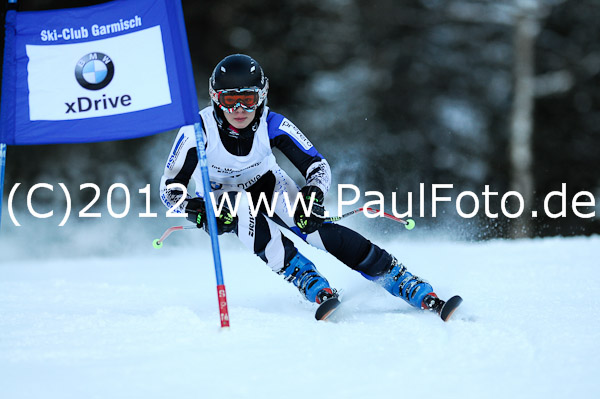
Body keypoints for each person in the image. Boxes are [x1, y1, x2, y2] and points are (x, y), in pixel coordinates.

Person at [159, 54, 460, 321]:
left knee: (315, 229)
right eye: (229, 100)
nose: (239, 109)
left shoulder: (272, 123)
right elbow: (169, 190)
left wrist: (313, 193)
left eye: (248, 99)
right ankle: (307, 278)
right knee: (241, 215)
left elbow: (317, 165)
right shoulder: (195, 133)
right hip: (221, 198)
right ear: (216, 98)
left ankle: (398, 277)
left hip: (266, 185)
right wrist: (196, 210)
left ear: (261, 96)